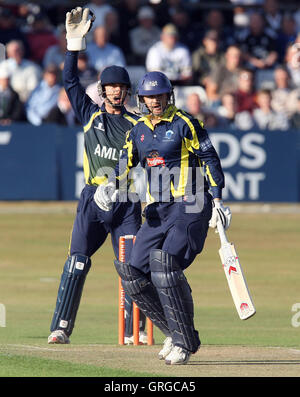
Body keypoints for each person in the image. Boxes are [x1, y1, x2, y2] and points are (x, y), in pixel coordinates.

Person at [96, 71, 231, 365]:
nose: (155, 101)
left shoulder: (186, 123)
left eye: (159, 95)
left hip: (191, 204)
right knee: (132, 272)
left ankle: (183, 342)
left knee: (164, 263)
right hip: (158, 210)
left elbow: (209, 158)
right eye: (149, 97)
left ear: (168, 95)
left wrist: (218, 199)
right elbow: (124, 163)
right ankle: (176, 332)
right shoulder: (138, 131)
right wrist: (111, 185)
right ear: (141, 99)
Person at [48, 7, 146, 345]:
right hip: (92, 201)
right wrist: (74, 45)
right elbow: (70, 81)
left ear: (127, 91)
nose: (116, 92)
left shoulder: (137, 125)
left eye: (120, 87)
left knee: (133, 267)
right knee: (77, 262)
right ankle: (60, 327)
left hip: (126, 203)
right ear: (102, 90)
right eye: (110, 87)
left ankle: (135, 330)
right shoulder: (89, 115)